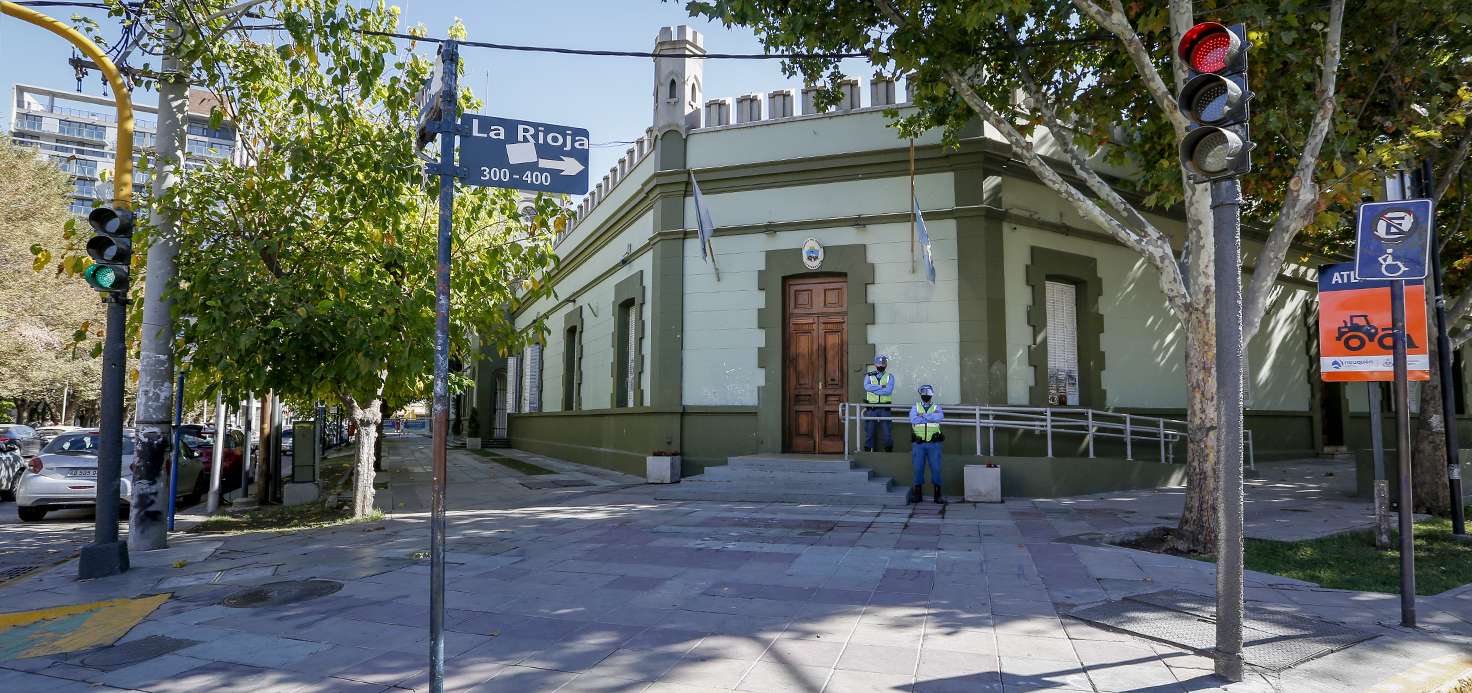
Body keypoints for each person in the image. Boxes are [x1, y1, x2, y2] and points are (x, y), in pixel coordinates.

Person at [908, 384, 946, 504]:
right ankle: (918, 495)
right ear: (921, 394)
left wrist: (923, 415)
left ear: (931, 394)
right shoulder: (915, 407)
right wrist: (930, 417)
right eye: (923, 393)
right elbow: (913, 419)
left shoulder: (936, 407)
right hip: (919, 444)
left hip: (934, 444)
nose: (925, 395)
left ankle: (937, 495)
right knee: (918, 469)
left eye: (927, 393)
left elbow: (940, 417)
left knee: (936, 469)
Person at [862, 355, 896, 452]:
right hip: (871, 408)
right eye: (879, 364)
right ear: (875, 364)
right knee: (869, 431)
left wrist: (874, 389)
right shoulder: (869, 375)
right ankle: (868, 450)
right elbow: (867, 387)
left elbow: (888, 391)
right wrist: (881, 386)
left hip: (885, 408)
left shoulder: (890, 377)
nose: (881, 365)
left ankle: (888, 450)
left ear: (886, 365)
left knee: (887, 432)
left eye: (883, 364)